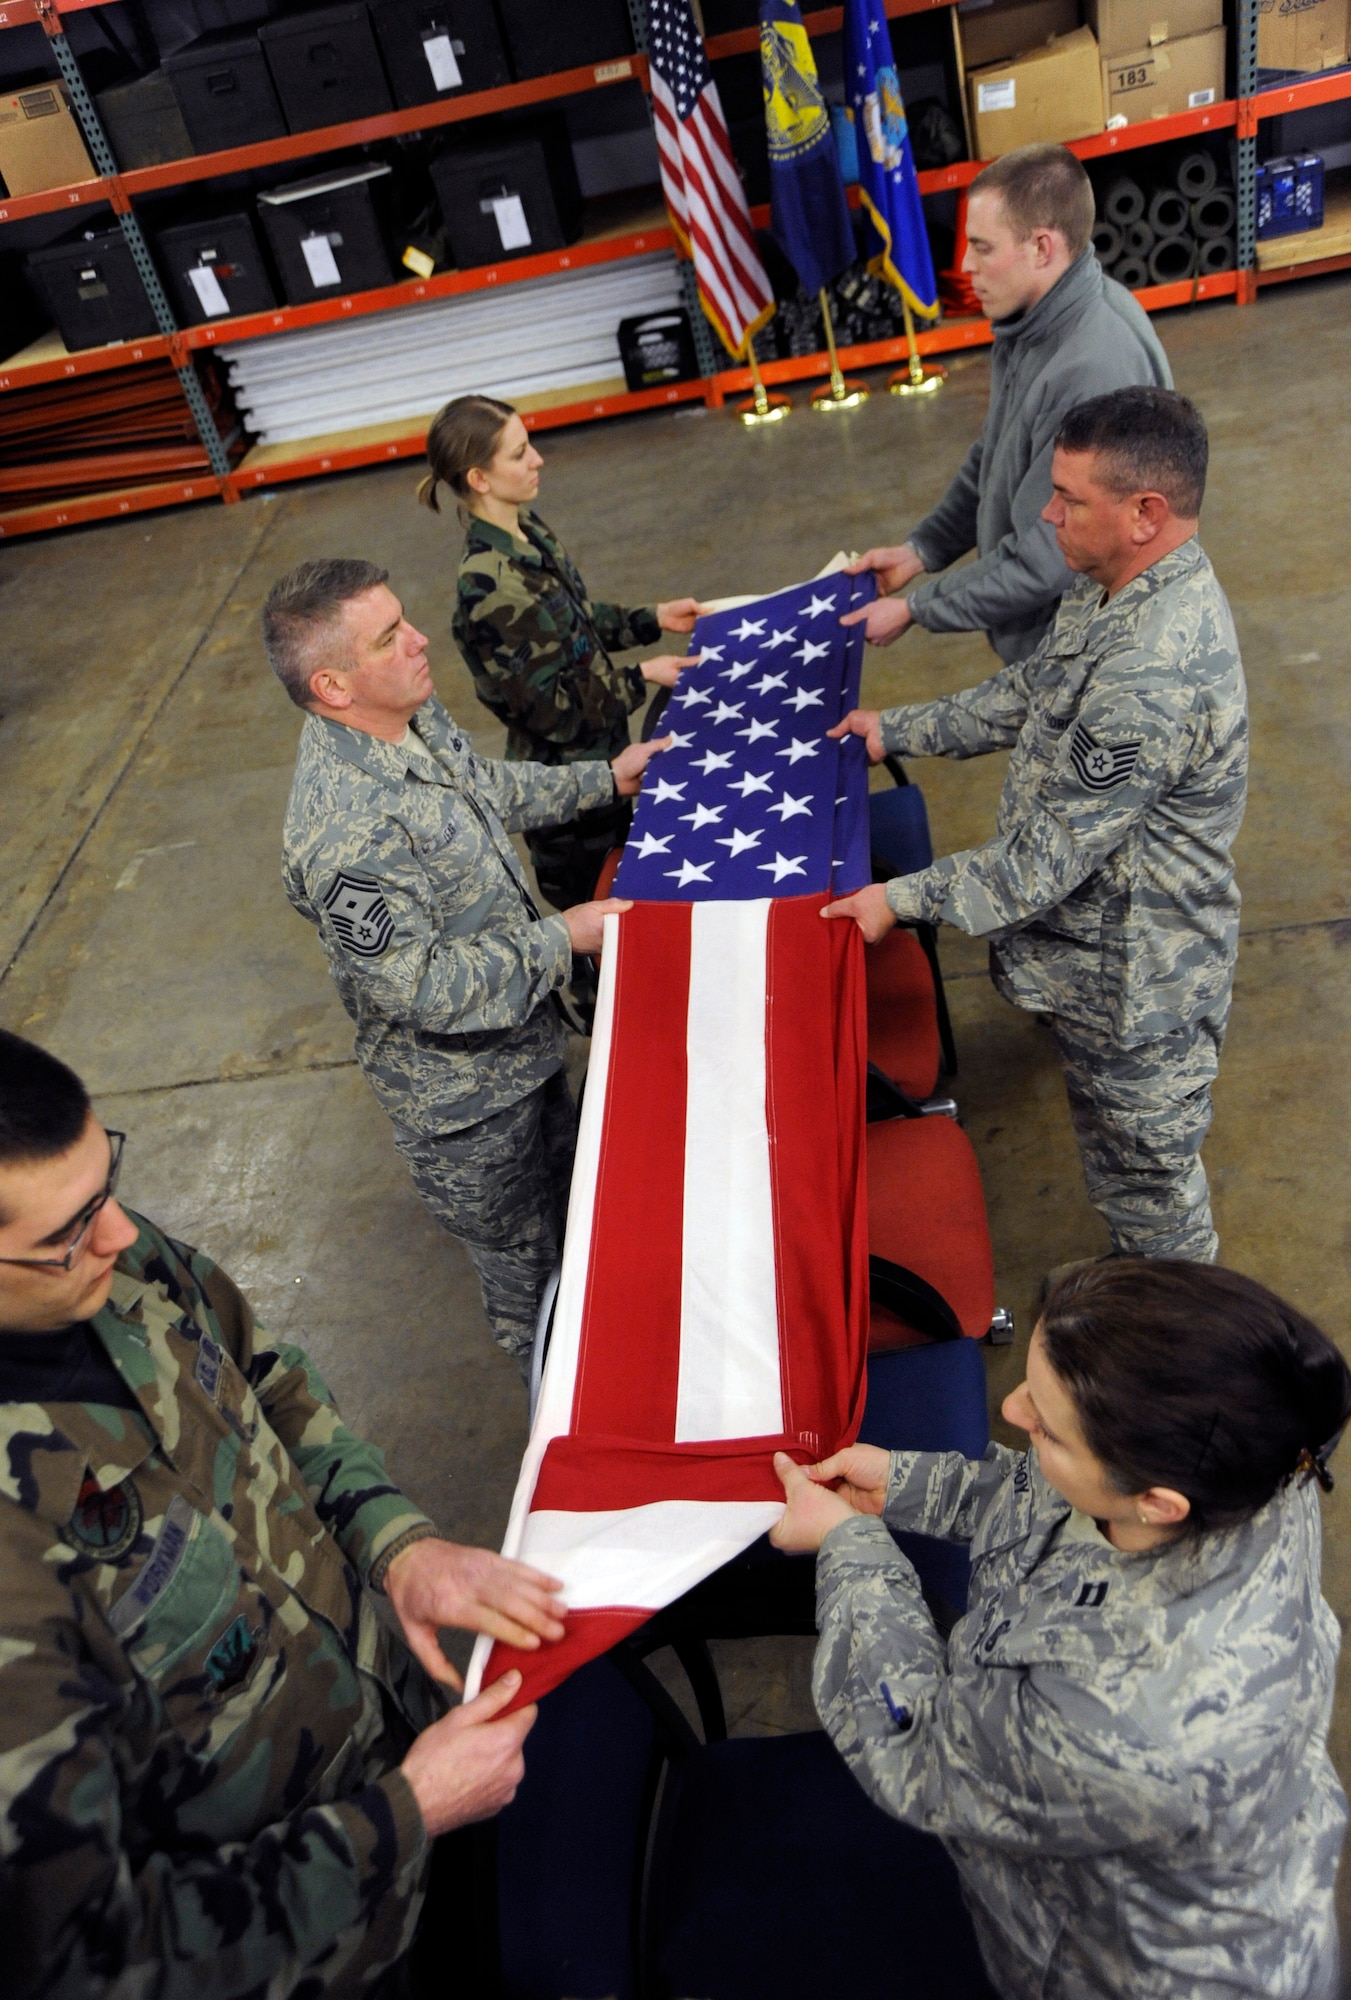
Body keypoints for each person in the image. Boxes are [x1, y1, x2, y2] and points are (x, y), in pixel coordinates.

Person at [0, 1029, 568, 1998]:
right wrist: (405, 1813)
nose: (120, 1234)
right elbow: (91, 1956)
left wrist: (397, 1545)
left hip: (407, 1759)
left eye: (107, 1184)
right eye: (67, 1232)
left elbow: (264, 1377)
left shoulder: (110, 1261)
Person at [771, 1257, 1351, 2000]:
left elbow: (917, 1751)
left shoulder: (1126, 1718)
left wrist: (848, 1548)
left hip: (1132, 1967)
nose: (1010, 1408)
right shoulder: (1251, 1450)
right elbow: (1048, 1499)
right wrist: (907, 1484)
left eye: (1044, 1426)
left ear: (1157, 1503)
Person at [825, 388, 1245, 1264]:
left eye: (1069, 500)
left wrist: (897, 900)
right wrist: (896, 729)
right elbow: (1032, 691)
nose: (1045, 515)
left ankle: (1176, 1356)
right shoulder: (1108, 585)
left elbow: (1036, 866)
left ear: (1145, 513)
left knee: (1150, 1189)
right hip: (1094, 960)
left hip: (1137, 980)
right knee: (1119, 1168)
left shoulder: (1150, 674)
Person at [267, 557, 666, 1370]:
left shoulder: (404, 713)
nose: (420, 640)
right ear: (334, 686)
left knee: (580, 1233)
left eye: (403, 620)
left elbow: (481, 788)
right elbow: (417, 986)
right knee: (532, 1293)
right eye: (389, 638)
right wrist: (564, 938)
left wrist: (603, 780)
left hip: (525, 1043)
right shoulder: (343, 834)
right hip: (468, 1111)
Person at [844, 144, 1171, 665]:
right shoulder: (1031, 324)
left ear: (1042, 248)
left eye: (982, 248)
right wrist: (920, 552)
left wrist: (915, 609)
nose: (966, 266)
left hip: (1087, 662)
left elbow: (1046, 560)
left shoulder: (1091, 370)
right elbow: (994, 457)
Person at [429, 393, 702, 919]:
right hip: (570, 802)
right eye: (519, 453)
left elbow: (575, 624)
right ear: (478, 478)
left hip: (608, 768)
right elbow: (552, 710)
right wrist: (641, 676)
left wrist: (654, 617)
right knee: (596, 935)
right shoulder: (489, 587)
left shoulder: (525, 528)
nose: (538, 460)